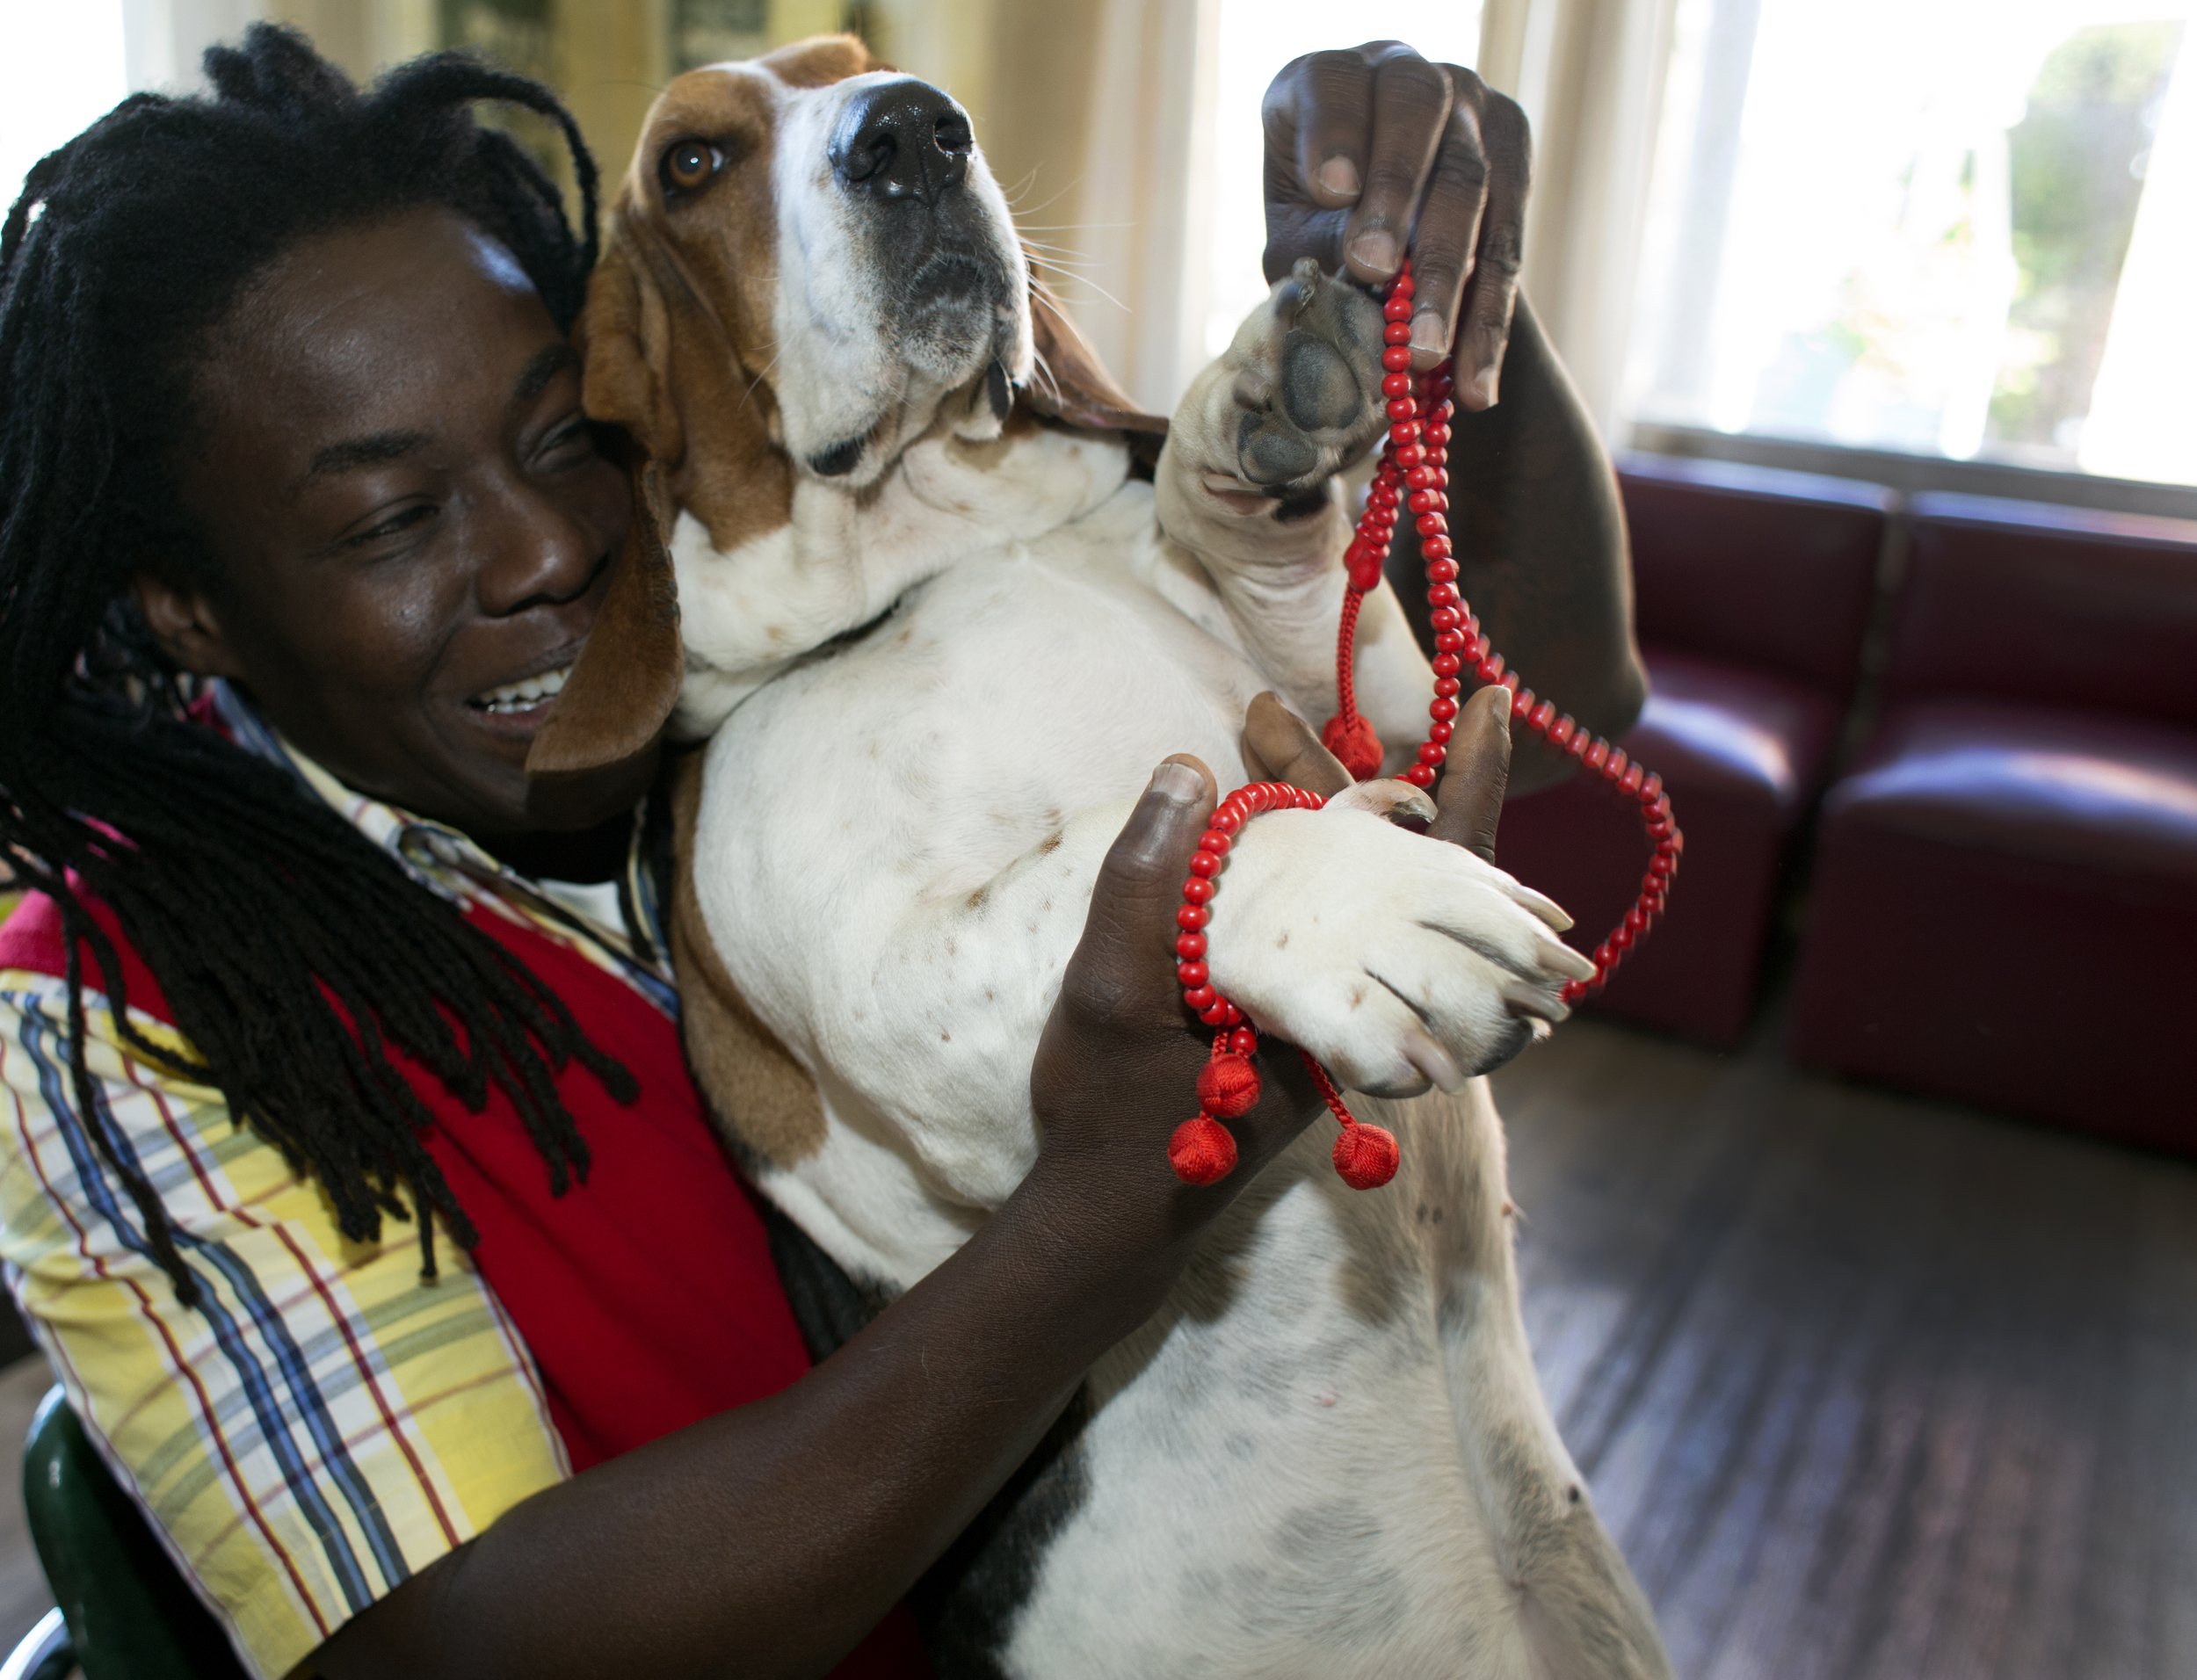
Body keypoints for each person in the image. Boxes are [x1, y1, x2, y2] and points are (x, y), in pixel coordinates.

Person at [0, 25, 1640, 1680]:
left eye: (568, 438)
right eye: (389, 522)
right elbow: (442, 1656)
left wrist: (1433, 273)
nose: (554, 548)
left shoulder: (739, 650)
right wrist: (1113, 1197)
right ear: (190, 608)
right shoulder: (105, 1017)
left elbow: (1561, 703)